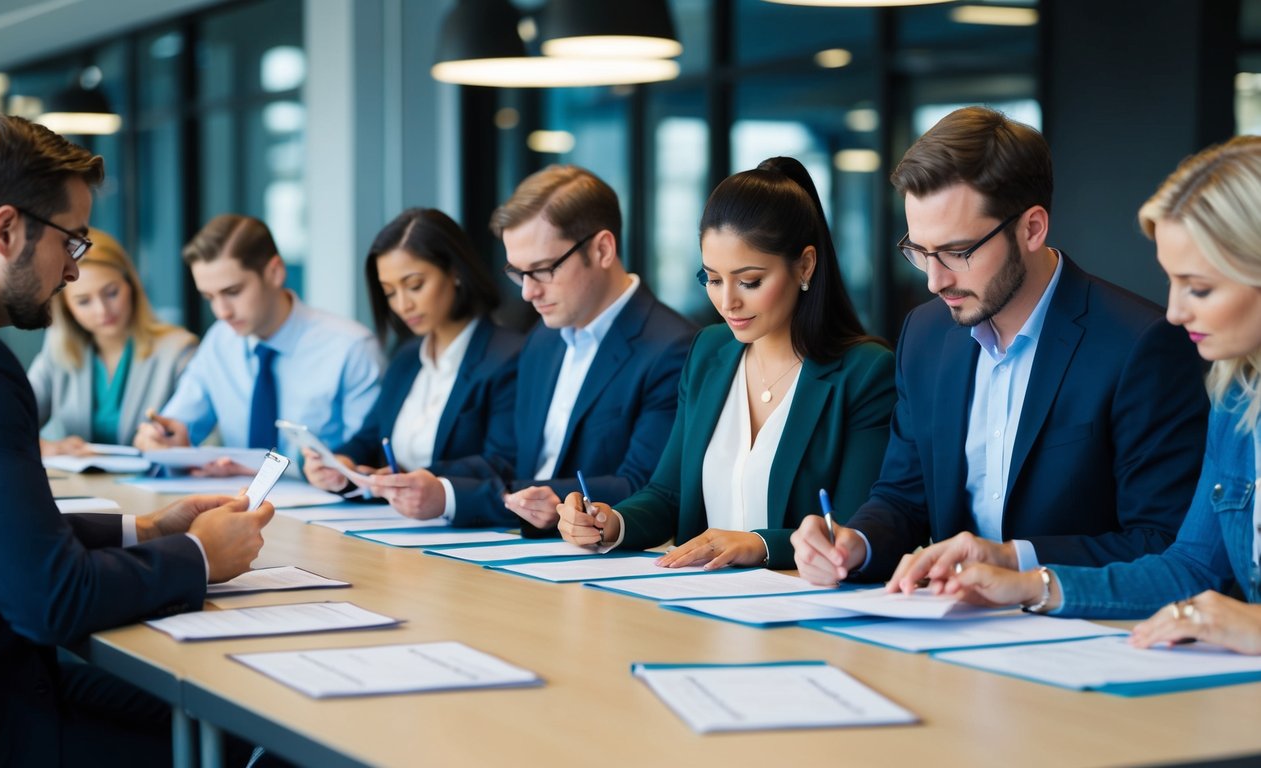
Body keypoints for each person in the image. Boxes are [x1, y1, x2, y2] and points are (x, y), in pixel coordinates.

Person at [0, 113, 273, 764]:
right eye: (72, 241)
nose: (74, 273)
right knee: (252, 736)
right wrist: (199, 555)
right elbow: (51, 599)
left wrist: (145, 531)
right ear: (5, 230)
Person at [791, 106, 1210, 587]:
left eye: (957, 252)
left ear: (1032, 228)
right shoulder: (924, 336)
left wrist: (1014, 559)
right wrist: (854, 544)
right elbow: (903, 498)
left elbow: (1162, 540)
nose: (934, 279)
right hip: (952, 629)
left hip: (1087, 634)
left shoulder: (1139, 343)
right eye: (919, 251)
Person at [928, 136, 1261, 655]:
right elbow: (1191, 568)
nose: (1174, 312)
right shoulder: (1238, 399)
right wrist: (1031, 585)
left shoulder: (1151, 349)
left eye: (1198, 288)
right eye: (1170, 282)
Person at [553, 157, 895, 569]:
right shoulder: (708, 353)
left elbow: (857, 529)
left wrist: (760, 544)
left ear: (805, 265)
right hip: (704, 605)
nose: (727, 301)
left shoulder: (865, 373)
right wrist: (611, 522)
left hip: (800, 606)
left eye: (749, 282)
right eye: (712, 279)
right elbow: (667, 494)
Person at [367, 165, 696, 528]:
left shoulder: (672, 348)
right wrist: (432, 482)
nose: (528, 292)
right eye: (518, 272)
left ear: (602, 249)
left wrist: (456, 496)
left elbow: (641, 488)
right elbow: (509, 460)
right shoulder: (543, 339)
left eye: (542, 269)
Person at [133, 214, 384, 473]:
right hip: (237, 504)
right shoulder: (220, 340)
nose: (222, 312)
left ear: (275, 272)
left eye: (232, 292)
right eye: (209, 297)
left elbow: (363, 460)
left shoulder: (351, 348)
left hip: (322, 508)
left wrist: (261, 469)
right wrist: (161, 439)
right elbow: (178, 424)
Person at [302, 208, 523, 493]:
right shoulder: (407, 357)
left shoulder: (507, 357)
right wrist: (340, 462)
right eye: (390, 292)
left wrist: (412, 478)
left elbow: (502, 462)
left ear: (455, 272)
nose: (402, 305)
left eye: (415, 285)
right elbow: (370, 438)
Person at [28, 228, 197, 454]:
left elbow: (198, 440)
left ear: (131, 286)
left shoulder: (179, 351)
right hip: (81, 486)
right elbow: (11, 422)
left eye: (111, 293)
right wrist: (50, 448)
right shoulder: (57, 350)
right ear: (67, 308)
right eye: (84, 301)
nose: (102, 310)